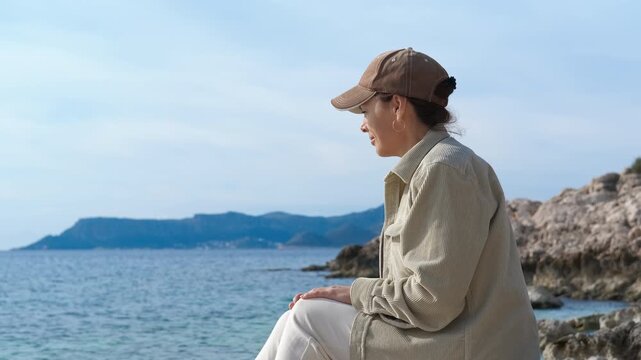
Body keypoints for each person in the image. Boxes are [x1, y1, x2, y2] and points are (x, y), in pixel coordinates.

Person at [256, 47, 540, 360]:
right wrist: (354, 297)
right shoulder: (433, 167)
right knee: (292, 319)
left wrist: (354, 293)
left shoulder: (444, 169)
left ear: (397, 106)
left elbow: (433, 300)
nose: (362, 125)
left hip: (469, 348)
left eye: (365, 111)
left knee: (308, 318)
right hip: (453, 339)